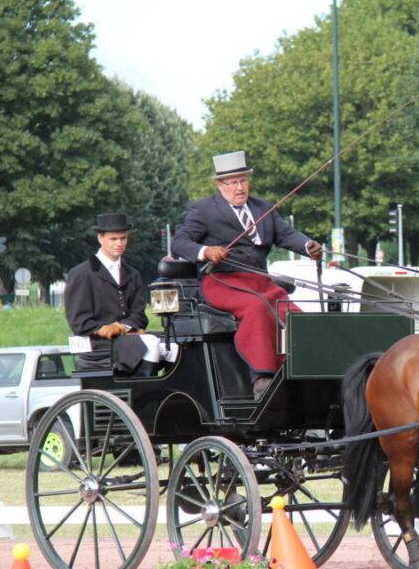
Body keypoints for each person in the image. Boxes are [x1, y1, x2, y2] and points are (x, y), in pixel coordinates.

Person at [172, 151, 323, 398]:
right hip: (222, 282)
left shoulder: (263, 207)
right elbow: (179, 242)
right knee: (256, 307)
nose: (240, 188)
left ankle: (305, 369)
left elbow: (286, 234)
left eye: (243, 181)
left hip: (261, 282)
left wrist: (308, 246)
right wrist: (206, 251)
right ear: (220, 184)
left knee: (293, 313)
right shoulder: (203, 210)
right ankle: (262, 376)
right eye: (233, 182)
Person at [65, 213, 166, 376]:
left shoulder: (132, 274)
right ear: (100, 238)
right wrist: (104, 329)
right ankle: (142, 387)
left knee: (171, 344)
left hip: (128, 338)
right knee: (152, 343)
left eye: (123, 238)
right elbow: (78, 321)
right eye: (113, 239)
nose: (119, 243)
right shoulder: (82, 273)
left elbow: (139, 316)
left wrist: (121, 327)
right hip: (99, 344)